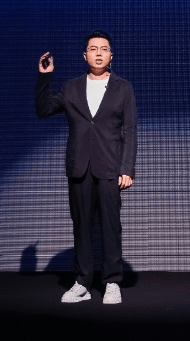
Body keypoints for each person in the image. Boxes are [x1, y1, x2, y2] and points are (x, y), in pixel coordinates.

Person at [35, 30, 137, 304]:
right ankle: (82, 282)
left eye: (104, 49)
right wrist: (45, 77)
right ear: (85, 55)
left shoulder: (123, 88)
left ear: (111, 55)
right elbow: (43, 110)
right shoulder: (71, 88)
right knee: (81, 227)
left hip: (110, 167)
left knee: (111, 226)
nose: (99, 53)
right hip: (79, 167)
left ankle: (112, 282)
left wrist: (127, 168)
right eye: (93, 49)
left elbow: (130, 130)